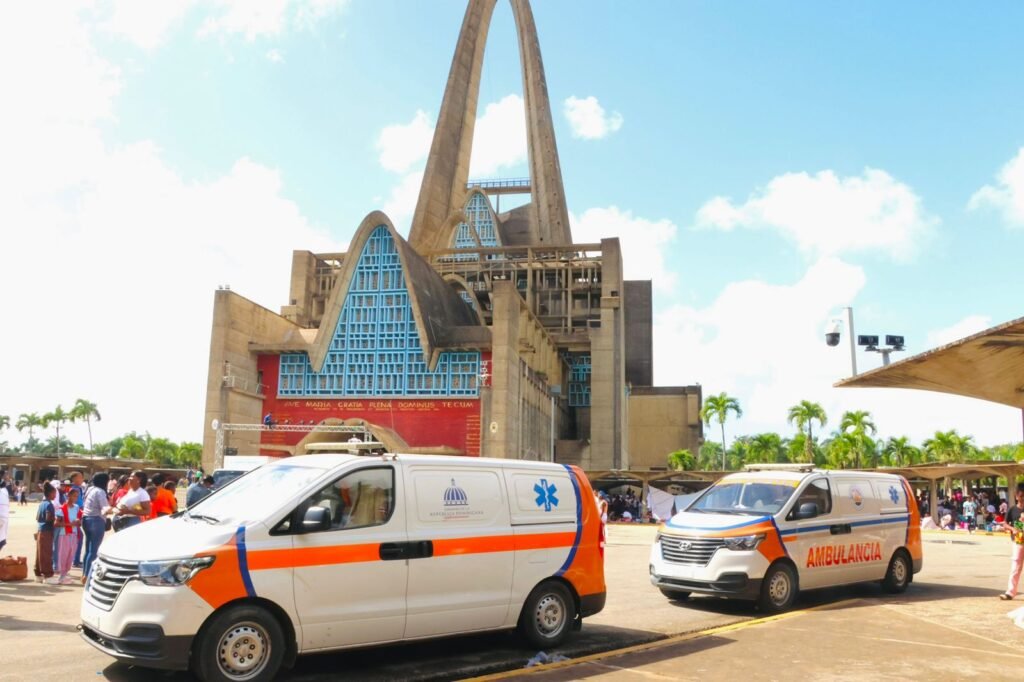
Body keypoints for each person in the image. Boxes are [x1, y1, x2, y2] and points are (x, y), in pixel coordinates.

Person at [82, 473, 110, 584]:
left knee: (88, 549)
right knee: (94, 550)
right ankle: (88, 575)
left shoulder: (90, 489)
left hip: (86, 518)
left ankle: (84, 573)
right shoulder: (100, 491)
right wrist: (117, 509)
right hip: (96, 520)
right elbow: (105, 508)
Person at [999, 486, 1024, 600]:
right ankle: (1010, 592)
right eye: (1021, 496)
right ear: (1016, 496)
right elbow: (1005, 523)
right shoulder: (1012, 510)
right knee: (1016, 567)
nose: (1023, 498)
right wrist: (1013, 529)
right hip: (1018, 541)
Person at [53, 487, 82, 585]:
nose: (75, 498)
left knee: (71, 554)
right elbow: (57, 523)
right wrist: (70, 524)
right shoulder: (62, 508)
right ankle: (61, 575)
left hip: (74, 534)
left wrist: (78, 522)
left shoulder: (77, 507)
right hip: (64, 534)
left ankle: (64, 574)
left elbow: (79, 519)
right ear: (68, 495)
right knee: (63, 555)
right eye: (74, 496)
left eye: (77, 496)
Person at [34, 483, 57, 583]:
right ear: (50, 493)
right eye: (54, 494)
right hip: (47, 531)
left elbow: (37, 518)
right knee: (47, 553)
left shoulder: (42, 503)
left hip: (40, 530)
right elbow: (48, 518)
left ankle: (38, 574)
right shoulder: (49, 504)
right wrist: (56, 519)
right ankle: (48, 575)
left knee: (40, 553)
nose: (55, 496)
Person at [69, 471, 86, 568]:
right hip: (75, 515)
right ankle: (75, 561)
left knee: (78, 537)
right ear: (74, 479)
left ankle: (75, 560)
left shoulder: (79, 488)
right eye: (80, 477)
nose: (82, 479)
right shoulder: (75, 490)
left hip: (77, 514)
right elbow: (78, 503)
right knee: (78, 537)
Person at [0, 472, 9, 552]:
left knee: (1, 541)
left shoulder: (4, 491)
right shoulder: (3, 491)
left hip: (3, 519)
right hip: (2, 518)